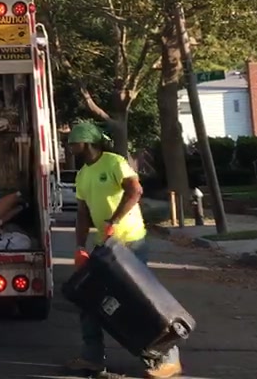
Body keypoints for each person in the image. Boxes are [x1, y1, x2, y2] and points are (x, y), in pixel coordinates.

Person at [67, 120, 182, 378]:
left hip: (130, 243)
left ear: (87, 142)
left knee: (139, 302)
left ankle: (166, 358)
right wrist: (79, 246)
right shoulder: (82, 174)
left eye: (74, 142)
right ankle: (92, 357)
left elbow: (135, 191)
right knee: (89, 299)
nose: (70, 146)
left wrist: (113, 220)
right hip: (105, 247)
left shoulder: (114, 162)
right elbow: (83, 214)